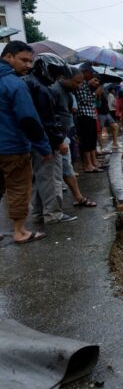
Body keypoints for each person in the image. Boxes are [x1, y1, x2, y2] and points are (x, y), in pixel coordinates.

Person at [0, 41, 52, 243]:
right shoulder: (15, 84)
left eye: (30, 61)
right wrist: (45, 148)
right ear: (8, 57)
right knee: (19, 188)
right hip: (13, 148)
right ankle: (20, 232)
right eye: (24, 60)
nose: (29, 65)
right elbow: (29, 120)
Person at [25, 53, 77, 225]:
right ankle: (53, 214)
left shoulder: (29, 83)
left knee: (38, 179)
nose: (56, 79)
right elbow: (48, 120)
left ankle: (39, 214)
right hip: (46, 142)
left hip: (33, 142)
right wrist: (59, 141)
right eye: (56, 75)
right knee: (51, 178)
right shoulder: (42, 90)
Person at [50, 67, 96, 208]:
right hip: (56, 138)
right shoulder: (54, 91)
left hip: (63, 135)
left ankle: (78, 197)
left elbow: (68, 113)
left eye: (81, 83)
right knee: (54, 175)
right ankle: (52, 212)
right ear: (64, 78)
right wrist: (59, 139)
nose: (79, 86)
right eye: (77, 82)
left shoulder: (68, 92)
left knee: (66, 169)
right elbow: (51, 118)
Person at [73, 63, 103, 172]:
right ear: (84, 72)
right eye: (90, 72)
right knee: (86, 140)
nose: (91, 75)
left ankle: (93, 162)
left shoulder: (86, 84)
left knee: (92, 139)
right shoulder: (81, 83)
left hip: (90, 114)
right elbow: (85, 101)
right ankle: (88, 164)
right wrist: (95, 94)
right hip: (84, 115)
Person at [96, 83, 120, 151]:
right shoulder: (95, 95)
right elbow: (97, 105)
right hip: (100, 114)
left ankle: (114, 143)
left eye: (102, 87)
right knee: (99, 131)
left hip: (107, 113)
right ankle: (102, 147)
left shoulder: (104, 94)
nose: (102, 89)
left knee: (116, 126)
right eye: (100, 87)